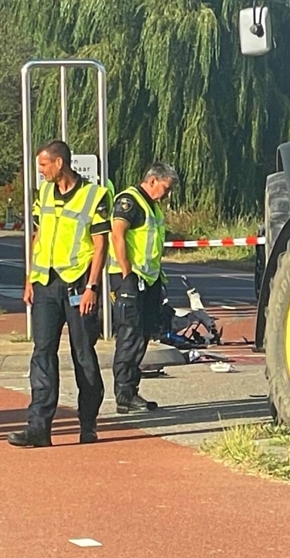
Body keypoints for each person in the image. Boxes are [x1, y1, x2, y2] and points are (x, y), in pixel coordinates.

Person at [7, 140, 111, 448]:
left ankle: (88, 422)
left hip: (79, 285)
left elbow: (101, 245)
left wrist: (92, 286)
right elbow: (38, 235)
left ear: (59, 164)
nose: (40, 171)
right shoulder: (44, 193)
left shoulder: (95, 196)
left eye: (43, 165)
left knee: (83, 355)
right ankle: (38, 427)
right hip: (46, 284)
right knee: (42, 355)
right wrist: (29, 278)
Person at [107, 162, 179, 413]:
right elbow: (117, 235)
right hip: (129, 278)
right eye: (165, 188)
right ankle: (124, 394)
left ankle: (131, 389)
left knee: (143, 334)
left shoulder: (153, 207)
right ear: (152, 181)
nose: (167, 194)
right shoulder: (130, 201)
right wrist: (127, 273)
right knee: (130, 335)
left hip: (148, 280)